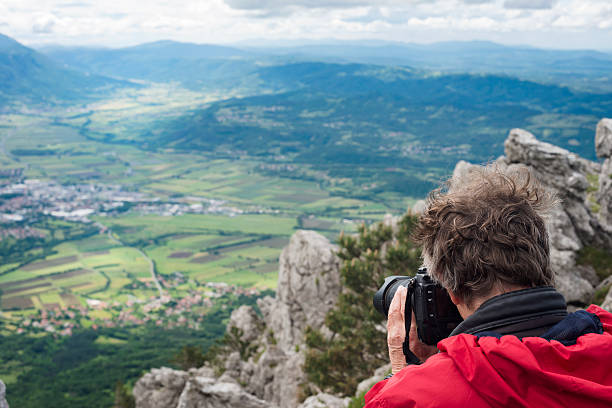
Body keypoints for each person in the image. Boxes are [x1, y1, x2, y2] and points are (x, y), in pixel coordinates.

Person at [364, 165, 612, 408]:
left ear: (450, 288)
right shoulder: (605, 336)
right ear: (542, 263)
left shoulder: (414, 397)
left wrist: (402, 376)